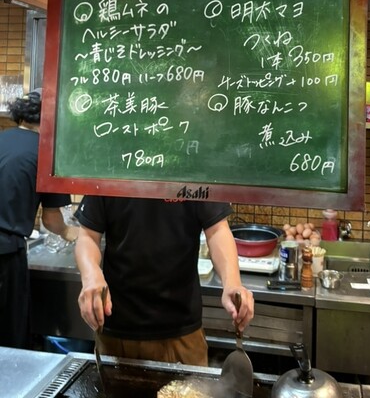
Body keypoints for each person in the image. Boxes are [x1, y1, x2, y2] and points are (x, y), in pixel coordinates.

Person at [74, 197, 254, 365]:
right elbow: (88, 235)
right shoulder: (109, 173)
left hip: (182, 331)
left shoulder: (196, 173)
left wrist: (232, 282)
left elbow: (217, 229)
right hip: (115, 330)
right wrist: (91, 276)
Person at [0, 89, 79, 349]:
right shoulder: (48, 154)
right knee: (9, 333)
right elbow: (52, 220)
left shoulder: (3, 138)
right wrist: (74, 233)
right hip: (5, 253)